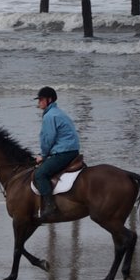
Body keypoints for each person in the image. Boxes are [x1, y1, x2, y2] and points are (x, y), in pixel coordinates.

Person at [33, 86, 80, 221]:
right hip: (70, 149)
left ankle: (50, 205)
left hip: (64, 152)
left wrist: (43, 155)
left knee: (40, 174)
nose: (39, 103)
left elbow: (47, 139)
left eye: (41, 100)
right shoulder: (58, 112)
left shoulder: (50, 116)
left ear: (49, 100)